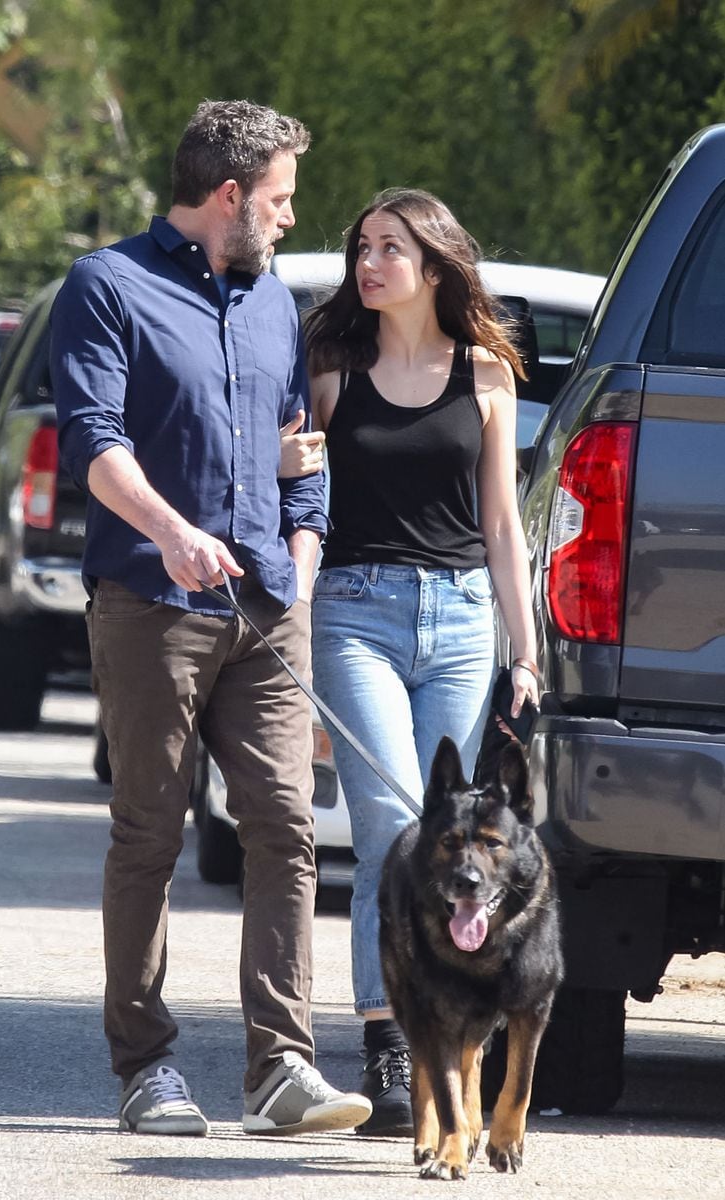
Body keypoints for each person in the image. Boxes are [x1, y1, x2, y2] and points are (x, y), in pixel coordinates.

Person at [49, 98, 372, 1139]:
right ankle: (145, 1069)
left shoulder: (275, 302)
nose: (287, 217)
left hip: (268, 609)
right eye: (277, 199)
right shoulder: (108, 287)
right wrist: (173, 532)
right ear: (226, 195)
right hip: (152, 603)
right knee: (148, 830)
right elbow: (93, 441)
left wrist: (305, 564)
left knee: (282, 827)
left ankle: (279, 1069)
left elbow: (299, 457)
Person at [300, 188, 540, 1136]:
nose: (368, 263)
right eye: (362, 247)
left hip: (460, 618)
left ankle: (442, 1035)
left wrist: (523, 653)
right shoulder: (331, 366)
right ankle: (387, 1045)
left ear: (434, 266)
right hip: (353, 613)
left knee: (449, 844)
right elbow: (305, 508)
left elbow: (501, 526)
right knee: (393, 829)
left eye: (390, 248)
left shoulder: (485, 372)